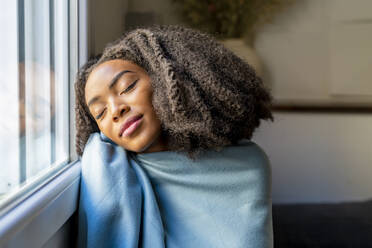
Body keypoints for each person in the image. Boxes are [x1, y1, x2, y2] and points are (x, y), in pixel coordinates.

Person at [75, 25, 274, 248]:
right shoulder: (107, 167)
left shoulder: (247, 166)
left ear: (167, 81)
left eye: (127, 87)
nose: (115, 110)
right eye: (100, 113)